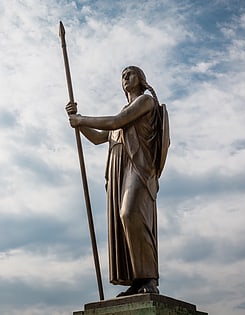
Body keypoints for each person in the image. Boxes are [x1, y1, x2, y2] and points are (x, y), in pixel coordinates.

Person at [66, 66, 169, 296]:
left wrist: (82, 118)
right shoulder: (123, 116)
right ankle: (137, 279)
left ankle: (150, 279)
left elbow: (115, 121)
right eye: (122, 75)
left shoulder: (145, 102)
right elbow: (98, 137)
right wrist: (78, 123)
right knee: (123, 223)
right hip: (119, 172)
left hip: (139, 168)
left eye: (129, 73)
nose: (124, 77)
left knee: (129, 212)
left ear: (141, 79)